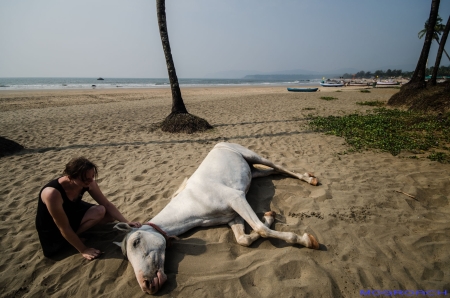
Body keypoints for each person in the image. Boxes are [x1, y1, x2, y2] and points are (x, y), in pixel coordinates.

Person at [35, 157, 142, 260]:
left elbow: (106, 204)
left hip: (71, 211)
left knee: (107, 214)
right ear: (70, 177)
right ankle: (69, 240)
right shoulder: (52, 194)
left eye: (92, 176)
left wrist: (126, 222)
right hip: (53, 230)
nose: (90, 181)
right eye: (86, 179)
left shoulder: (89, 182)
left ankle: (76, 235)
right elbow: (64, 227)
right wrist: (84, 249)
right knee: (99, 212)